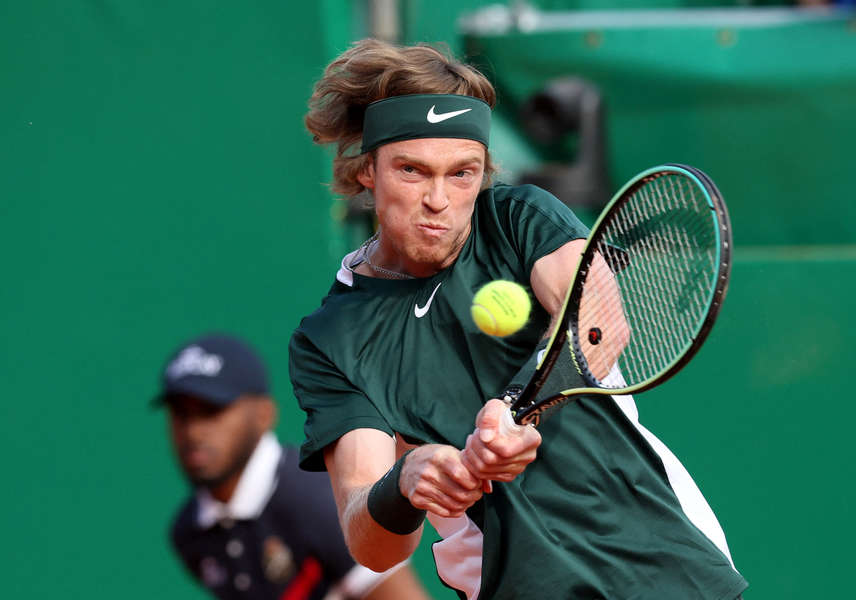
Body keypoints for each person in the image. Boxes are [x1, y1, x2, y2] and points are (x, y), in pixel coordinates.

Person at [289, 38, 748, 599]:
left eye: (463, 174)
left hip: (658, 558)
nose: (439, 200)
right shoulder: (331, 339)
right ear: (367, 169)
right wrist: (406, 482)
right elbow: (372, 545)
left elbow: (599, 322)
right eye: (413, 171)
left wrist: (515, 408)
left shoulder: (518, 218)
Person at [158, 333, 431, 600]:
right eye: (181, 414)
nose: (193, 432)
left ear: (264, 415)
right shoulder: (189, 534)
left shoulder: (316, 500)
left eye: (211, 411)